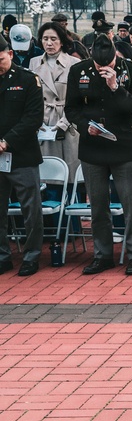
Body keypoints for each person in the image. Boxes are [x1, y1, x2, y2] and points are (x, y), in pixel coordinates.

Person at [64, 35, 132, 275]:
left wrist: (115, 87)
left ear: (115, 57)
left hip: (124, 145)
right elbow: (71, 108)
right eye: (99, 65)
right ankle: (102, 255)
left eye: (108, 64)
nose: (103, 68)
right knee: (98, 207)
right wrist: (84, 126)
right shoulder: (78, 70)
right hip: (93, 146)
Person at [0, 34, 45, 276]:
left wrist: (6, 142)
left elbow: (33, 118)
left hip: (22, 154)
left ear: (9, 54)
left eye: (0, 60)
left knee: (31, 210)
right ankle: (2, 256)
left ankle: (31, 255)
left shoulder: (28, 79)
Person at [29, 22, 81, 188]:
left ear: (62, 41)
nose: (49, 43)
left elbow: (78, 98)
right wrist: (37, 122)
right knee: (49, 178)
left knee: (72, 177)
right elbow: (31, 97)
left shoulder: (74, 63)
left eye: (53, 39)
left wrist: (65, 122)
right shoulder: (34, 63)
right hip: (44, 123)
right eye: (45, 39)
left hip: (68, 122)